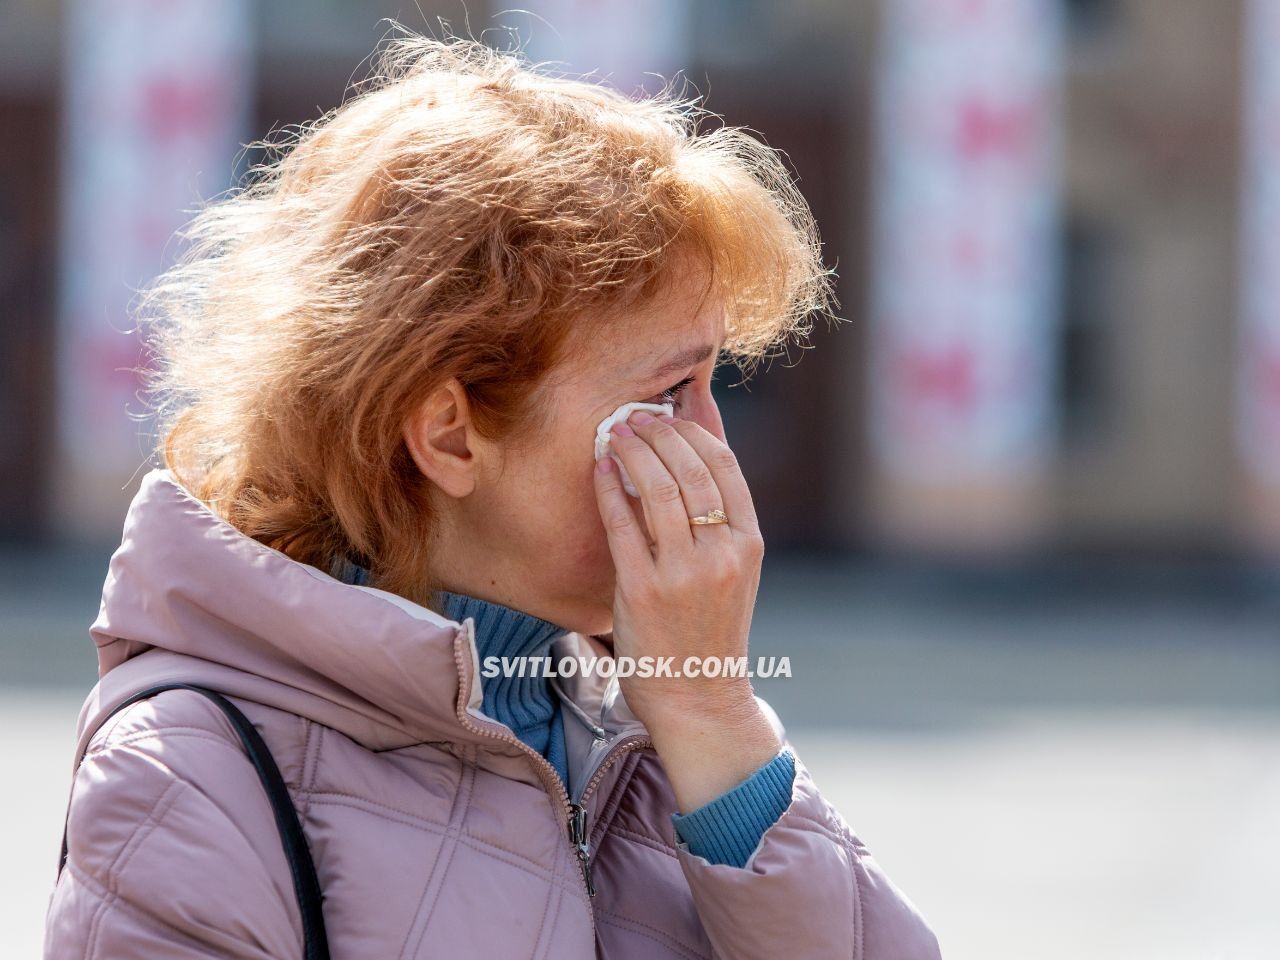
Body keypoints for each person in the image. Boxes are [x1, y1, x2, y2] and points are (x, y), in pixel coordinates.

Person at [44, 33, 941, 960]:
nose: (712, 446)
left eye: (722, 387)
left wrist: (715, 719)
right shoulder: (185, 776)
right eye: (669, 393)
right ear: (449, 434)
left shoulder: (650, 731)